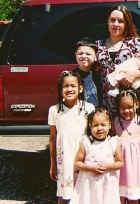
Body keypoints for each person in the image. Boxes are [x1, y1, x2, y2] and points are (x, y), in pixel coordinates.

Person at [96, 4, 140, 120]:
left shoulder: (135, 43)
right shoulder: (98, 45)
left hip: (133, 104)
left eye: (121, 21)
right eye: (112, 20)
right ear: (107, 22)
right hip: (108, 106)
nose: (116, 24)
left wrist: (136, 74)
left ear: (126, 24)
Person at [48, 71, 95, 204]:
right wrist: (53, 163)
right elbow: (52, 138)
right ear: (60, 89)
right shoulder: (54, 110)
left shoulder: (88, 108)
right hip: (65, 158)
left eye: (73, 86)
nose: (69, 89)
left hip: (84, 156)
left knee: (85, 191)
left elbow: (93, 134)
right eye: (65, 86)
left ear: (80, 88)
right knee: (65, 193)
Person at [70, 107, 124, 204]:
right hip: (89, 183)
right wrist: (90, 168)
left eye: (103, 125)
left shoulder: (113, 142)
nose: (99, 128)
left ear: (110, 125)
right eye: (95, 125)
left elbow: (120, 163)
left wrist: (108, 166)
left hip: (107, 184)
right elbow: (77, 163)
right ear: (90, 126)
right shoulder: (86, 142)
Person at [73, 37, 102, 107]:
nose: (83, 56)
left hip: (95, 114)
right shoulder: (71, 76)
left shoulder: (99, 76)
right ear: (75, 55)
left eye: (88, 54)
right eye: (80, 53)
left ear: (96, 56)